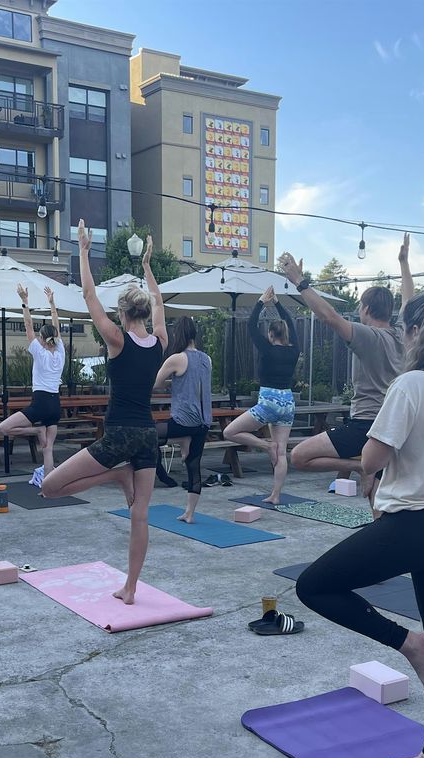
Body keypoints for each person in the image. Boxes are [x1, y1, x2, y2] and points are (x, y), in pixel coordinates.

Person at [295, 286, 424, 758]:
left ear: (416, 331)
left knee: (314, 586)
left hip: (414, 525)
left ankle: (406, 643)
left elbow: (371, 461)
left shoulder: (410, 386)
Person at [41, 221, 167, 605]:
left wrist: (82, 249)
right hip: (148, 436)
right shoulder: (161, 340)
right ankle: (130, 588)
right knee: (140, 516)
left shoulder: (116, 339)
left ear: (122, 313)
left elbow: (89, 294)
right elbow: (160, 303)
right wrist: (147, 266)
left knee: (49, 487)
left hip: (119, 436)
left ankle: (114, 473)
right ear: (143, 312)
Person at [281, 235, 409, 510]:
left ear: (365, 309)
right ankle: (381, 538)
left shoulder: (369, 336)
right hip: (394, 425)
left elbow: (329, 317)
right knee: (379, 498)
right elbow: (409, 300)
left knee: (300, 456)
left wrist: (299, 282)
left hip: (365, 425)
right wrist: (404, 263)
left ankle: (360, 466)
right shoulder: (402, 334)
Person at [223, 286, 299, 504]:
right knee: (282, 453)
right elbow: (291, 323)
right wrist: (276, 304)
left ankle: (266, 445)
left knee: (230, 432)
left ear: (270, 334)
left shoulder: (267, 349)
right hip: (288, 403)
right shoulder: (294, 350)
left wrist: (261, 302)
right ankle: (275, 495)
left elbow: (250, 324)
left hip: (269, 402)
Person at [0, 283, 65, 479]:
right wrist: (52, 304)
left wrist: (25, 302)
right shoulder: (60, 351)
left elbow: (28, 327)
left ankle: (36, 429)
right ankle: (48, 486)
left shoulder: (39, 352)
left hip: (41, 402)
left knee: (3, 428)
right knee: (48, 448)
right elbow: (56, 327)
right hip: (55, 404)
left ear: (42, 339)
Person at [153, 315, 213, 522]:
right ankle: (189, 513)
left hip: (183, 421)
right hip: (203, 422)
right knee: (193, 466)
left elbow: (156, 384)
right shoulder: (207, 359)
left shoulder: (176, 358)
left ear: (178, 334)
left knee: (148, 434)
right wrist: (176, 383)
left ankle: (158, 472)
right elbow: (193, 382)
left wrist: (170, 382)